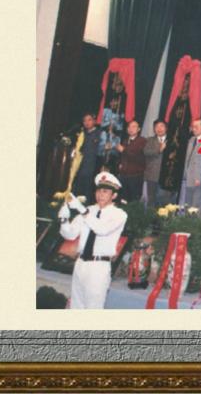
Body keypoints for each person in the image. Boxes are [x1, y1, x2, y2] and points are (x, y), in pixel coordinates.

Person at [58, 171, 128, 309]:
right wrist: (64, 220)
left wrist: (81, 210)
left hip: (99, 267)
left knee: (93, 308)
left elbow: (101, 229)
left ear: (114, 195)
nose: (100, 194)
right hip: (80, 263)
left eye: (105, 192)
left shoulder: (119, 214)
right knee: (76, 307)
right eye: (98, 191)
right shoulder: (89, 210)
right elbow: (70, 235)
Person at [72, 113, 103, 199]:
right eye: (84, 121)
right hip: (80, 165)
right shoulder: (82, 134)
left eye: (89, 120)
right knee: (77, 189)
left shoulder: (100, 133)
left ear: (94, 121)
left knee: (87, 191)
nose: (86, 122)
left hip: (92, 166)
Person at [179, 118, 201, 210]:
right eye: (193, 127)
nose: (194, 129)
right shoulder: (192, 140)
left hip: (197, 178)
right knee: (188, 204)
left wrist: (198, 177)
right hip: (188, 176)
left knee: (197, 205)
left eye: (196, 127)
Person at [115, 120, 146, 203]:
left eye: (134, 127)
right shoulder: (125, 141)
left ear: (139, 129)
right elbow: (123, 156)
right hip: (124, 175)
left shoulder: (142, 141)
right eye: (129, 127)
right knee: (123, 199)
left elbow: (138, 157)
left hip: (135, 176)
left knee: (133, 201)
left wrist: (124, 150)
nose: (131, 129)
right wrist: (120, 163)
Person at [142, 120, 169, 208]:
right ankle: (150, 216)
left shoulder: (172, 139)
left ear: (166, 128)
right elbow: (146, 152)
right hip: (152, 175)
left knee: (164, 201)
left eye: (162, 126)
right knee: (151, 200)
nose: (159, 129)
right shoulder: (149, 140)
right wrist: (159, 150)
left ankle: (163, 217)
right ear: (154, 129)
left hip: (167, 176)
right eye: (156, 127)